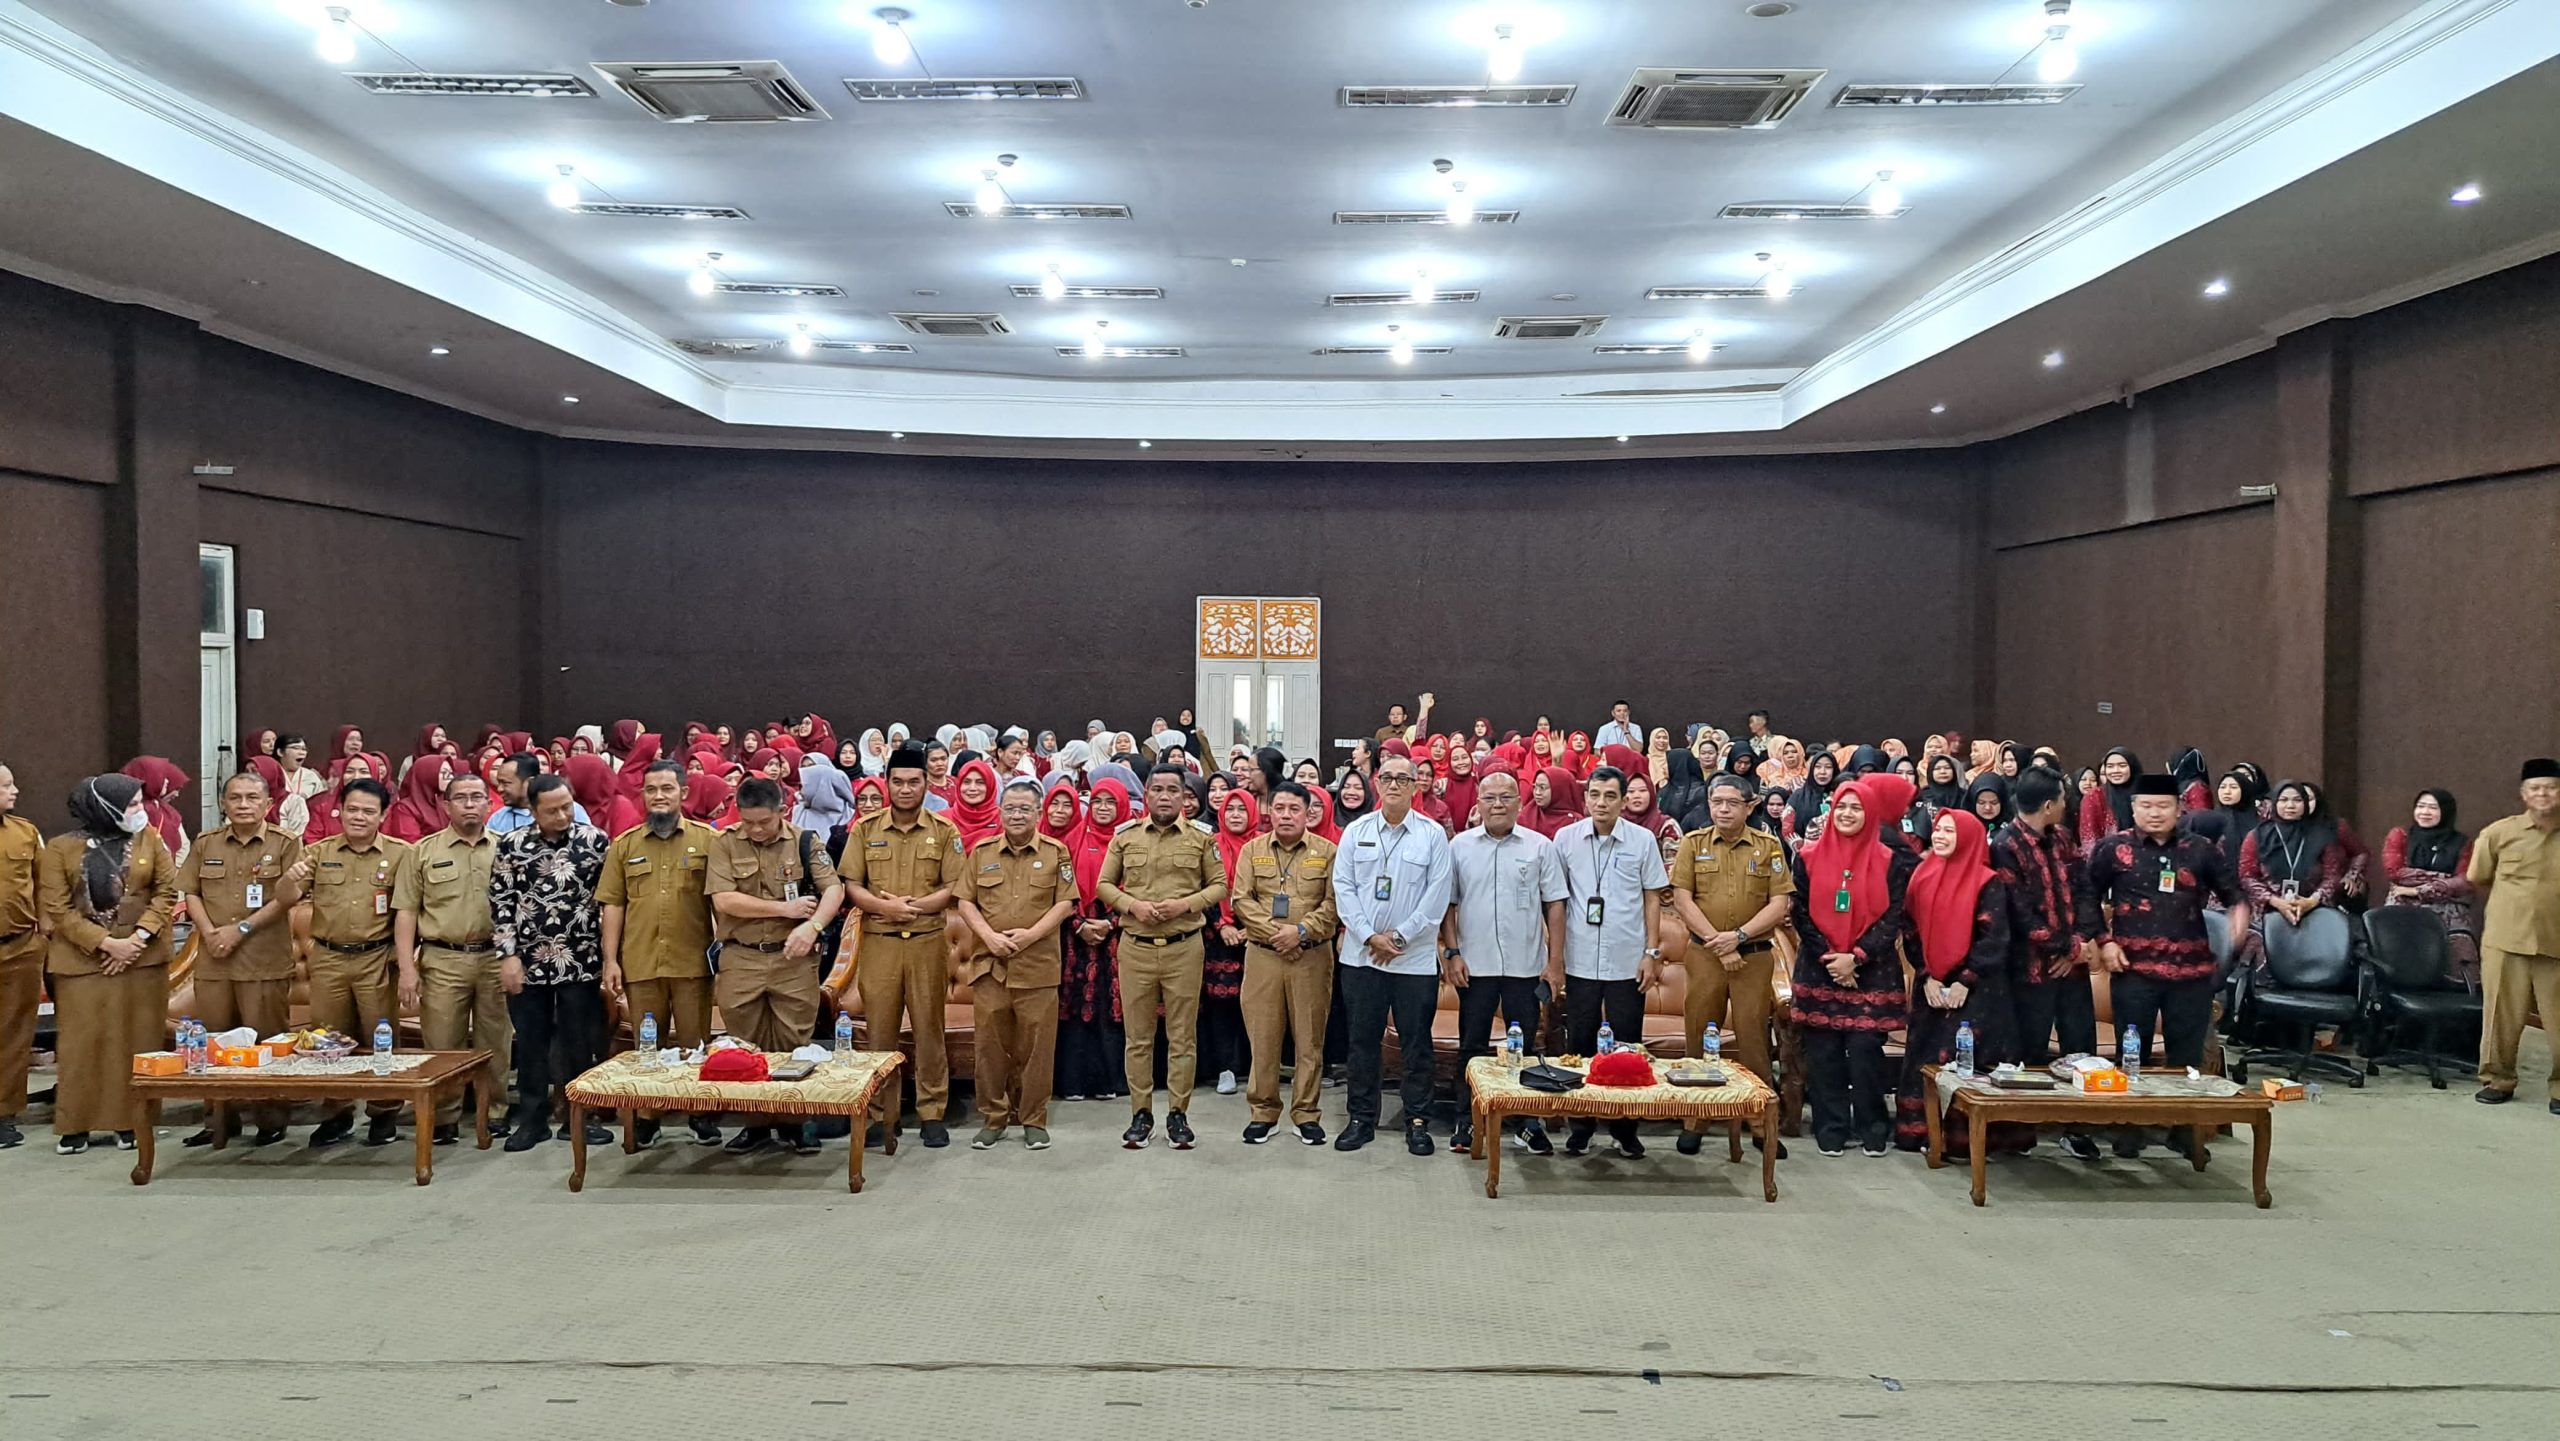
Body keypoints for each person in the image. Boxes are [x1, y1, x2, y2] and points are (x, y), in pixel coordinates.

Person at [2077, 774, 2249, 1157]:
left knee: (2186, 1057)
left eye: (2163, 806)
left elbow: (2233, 893)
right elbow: (2086, 894)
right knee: (2131, 1053)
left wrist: (2239, 915)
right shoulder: (2112, 848)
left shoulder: (2201, 849)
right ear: (2134, 808)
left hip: (2190, 970)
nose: (2155, 814)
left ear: (2179, 809)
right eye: (2147, 806)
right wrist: (2102, 942)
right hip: (2133, 969)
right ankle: (2130, 1127)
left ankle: (2184, 1130)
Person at [39, 775, 178, 1154]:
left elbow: (167, 891)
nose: (140, 811)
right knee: (82, 1044)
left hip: (142, 959)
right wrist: (105, 944)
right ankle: (76, 1125)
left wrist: (135, 941)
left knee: (135, 1042)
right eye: (132, 805)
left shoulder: (150, 839)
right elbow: (58, 908)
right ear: (105, 807)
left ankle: (131, 1122)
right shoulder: (59, 848)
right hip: (83, 962)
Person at [714, 775, 849, 1154]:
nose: (756, 829)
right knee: (745, 1046)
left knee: (795, 1044)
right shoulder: (724, 843)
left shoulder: (805, 841)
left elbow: (834, 889)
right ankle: (756, 1124)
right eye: (748, 821)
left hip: (793, 959)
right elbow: (725, 900)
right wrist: (784, 909)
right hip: (741, 956)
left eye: (764, 822)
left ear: (782, 811)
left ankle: (796, 1122)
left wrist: (813, 925)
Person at [838, 748, 965, 1150]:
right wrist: (884, 907)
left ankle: (932, 1114)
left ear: (927, 785)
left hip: (928, 942)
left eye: (914, 782)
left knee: (929, 1031)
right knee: (880, 1034)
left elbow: (955, 889)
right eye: (898, 782)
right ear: (887, 783)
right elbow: (851, 886)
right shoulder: (865, 829)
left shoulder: (945, 831)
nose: (906, 789)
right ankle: (880, 1116)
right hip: (880, 943)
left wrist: (912, 908)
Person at [1329, 750, 1454, 1156]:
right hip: (1362, 959)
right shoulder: (1356, 831)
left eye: (1404, 778)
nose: (1396, 785)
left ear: (1417, 786)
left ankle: (1417, 1121)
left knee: (1416, 1043)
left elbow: (1437, 897)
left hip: (1413, 960)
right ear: (1377, 785)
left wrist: (1398, 938)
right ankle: (1361, 1118)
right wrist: (1368, 937)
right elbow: (1343, 889)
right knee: (1362, 1042)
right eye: (1389, 778)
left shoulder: (1432, 835)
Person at [1096, 764, 1227, 1150]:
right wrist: (1132, 906)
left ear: (1185, 797)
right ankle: (1141, 1113)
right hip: (1135, 947)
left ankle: (1177, 1114)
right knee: (1137, 1038)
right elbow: (1104, 884)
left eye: (1174, 790)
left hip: (1184, 946)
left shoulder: (1202, 838)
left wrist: (1184, 905)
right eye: (1158, 790)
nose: (1165, 796)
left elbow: (1219, 885)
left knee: (1182, 1037)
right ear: (1147, 794)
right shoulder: (1126, 836)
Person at [176, 768, 309, 1146]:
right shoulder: (206, 843)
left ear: (268, 804)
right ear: (223, 803)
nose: (244, 805)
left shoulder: (286, 843)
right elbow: (191, 892)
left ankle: (270, 1120)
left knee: (266, 1042)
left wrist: (241, 930)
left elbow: (288, 897)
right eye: (235, 798)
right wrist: (208, 933)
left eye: (252, 798)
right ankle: (219, 1119)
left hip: (262, 960)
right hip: (214, 961)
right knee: (212, 1043)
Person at [1666, 773, 1795, 1157]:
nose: (1722, 809)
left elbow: (1779, 904)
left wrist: (1736, 937)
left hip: (1752, 956)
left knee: (1753, 1037)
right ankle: (1696, 1121)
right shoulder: (1693, 844)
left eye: (1731, 803)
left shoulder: (1768, 846)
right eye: (1716, 802)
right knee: (1699, 1035)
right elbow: (1683, 900)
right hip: (1704, 955)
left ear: (1750, 806)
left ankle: (1759, 1123)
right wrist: (1717, 943)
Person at [1790, 774, 1919, 1158]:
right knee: (1824, 1053)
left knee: (1865, 1052)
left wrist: (1857, 956)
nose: (1847, 813)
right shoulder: (1808, 856)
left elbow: (1894, 915)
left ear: (1871, 813)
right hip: (1820, 966)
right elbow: (1799, 910)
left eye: (1857, 807)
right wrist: (1831, 957)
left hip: (1871, 970)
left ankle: (1872, 1125)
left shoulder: (1890, 860)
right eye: (1841, 806)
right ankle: (1831, 1127)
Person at [1439, 769, 1565, 1155]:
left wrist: (1555, 961)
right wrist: (1452, 952)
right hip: (1474, 966)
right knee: (1472, 1046)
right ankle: (1468, 1117)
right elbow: (1448, 904)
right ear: (1477, 803)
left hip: (1525, 966)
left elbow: (1555, 905)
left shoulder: (1540, 846)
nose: (1497, 804)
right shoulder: (1459, 846)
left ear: (1519, 802)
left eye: (1505, 797)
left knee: (1523, 1046)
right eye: (1489, 797)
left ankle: (1525, 1120)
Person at [597, 759, 723, 1147]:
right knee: (646, 1046)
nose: (658, 796)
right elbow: (613, 905)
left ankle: (699, 1114)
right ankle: (648, 1117)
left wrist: (726, 957)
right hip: (641, 962)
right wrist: (610, 959)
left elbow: (720, 904)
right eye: (651, 790)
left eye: (667, 789)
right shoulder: (625, 845)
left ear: (683, 793)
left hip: (691, 963)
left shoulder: (708, 841)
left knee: (694, 1044)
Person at [1552, 765, 1672, 1157]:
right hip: (1580, 958)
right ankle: (1581, 1125)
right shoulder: (1565, 839)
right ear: (1585, 798)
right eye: (1595, 795)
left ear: (1623, 801)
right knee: (1580, 1044)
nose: (1601, 803)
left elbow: (1653, 897)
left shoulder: (1641, 841)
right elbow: (1555, 901)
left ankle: (1625, 1128)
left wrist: (1652, 952)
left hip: (1626, 958)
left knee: (1626, 1047)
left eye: (1610, 796)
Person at [487, 774, 610, 1152]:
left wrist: (609, 957)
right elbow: (500, 904)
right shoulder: (512, 845)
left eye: (567, 807)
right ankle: (533, 1120)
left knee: (578, 1042)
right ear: (534, 811)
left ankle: (578, 1118)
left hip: (581, 960)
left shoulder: (596, 841)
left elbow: (610, 901)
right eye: (551, 810)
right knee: (531, 1043)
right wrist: (508, 957)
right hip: (527, 960)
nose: (561, 815)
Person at [954, 778, 1077, 1150]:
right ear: (1000, 812)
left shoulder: (1057, 853)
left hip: (1037, 964)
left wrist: (1031, 935)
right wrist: (988, 936)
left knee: (1036, 1049)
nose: (1017, 815)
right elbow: (965, 901)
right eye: (1010, 808)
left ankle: (1034, 1120)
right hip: (990, 965)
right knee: (990, 1048)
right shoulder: (982, 852)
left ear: (1038, 813)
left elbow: (1065, 904)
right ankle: (993, 1119)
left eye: (1025, 809)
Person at [1893, 810, 2021, 1153]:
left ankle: (1967, 1141)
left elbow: (1994, 936)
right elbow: (1910, 929)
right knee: (1927, 1057)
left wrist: (1965, 980)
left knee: (1967, 1060)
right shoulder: (1922, 874)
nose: (1941, 837)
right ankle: (1923, 1133)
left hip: (1978, 989)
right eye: (1938, 830)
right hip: (1931, 988)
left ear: (1968, 837)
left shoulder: (1987, 880)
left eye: (1950, 831)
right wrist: (1927, 976)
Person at [1990, 767, 2100, 1160]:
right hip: (2030, 970)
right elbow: (2018, 914)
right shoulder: (2005, 844)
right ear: (2049, 804)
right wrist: (2065, 948)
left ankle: (2078, 1129)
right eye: (2064, 799)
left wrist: (2081, 942)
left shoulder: (2063, 838)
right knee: (2028, 1051)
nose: (2067, 806)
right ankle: (2021, 1131)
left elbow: (2085, 888)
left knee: (2081, 1050)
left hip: (2071, 966)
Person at [393, 770, 507, 1146]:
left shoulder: (505, 848)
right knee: (442, 1042)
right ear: (446, 805)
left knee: (496, 1040)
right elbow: (406, 912)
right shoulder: (422, 852)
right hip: (442, 959)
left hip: (494, 958)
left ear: (490, 804)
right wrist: (407, 969)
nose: (470, 805)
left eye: (477, 797)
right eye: (462, 798)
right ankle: (443, 1117)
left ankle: (493, 1113)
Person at [1230, 781, 1342, 1146]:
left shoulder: (1327, 852)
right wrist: (1280, 935)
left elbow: (1334, 903)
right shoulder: (1252, 850)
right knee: (1263, 1038)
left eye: (1294, 809)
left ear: (1308, 813)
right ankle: (1263, 1111)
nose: (1286, 815)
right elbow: (1241, 900)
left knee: (1310, 1039)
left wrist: (1302, 931)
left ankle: (1306, 1113)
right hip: (1263, 956)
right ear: (1269, 811)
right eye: (1279, 808)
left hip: (1311, 957)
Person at [300, 775, 409, 1148]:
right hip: (329, 957)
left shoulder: (400, 854)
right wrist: (289, 878)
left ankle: (383, 1113)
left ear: (382, 814)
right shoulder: (318, 852)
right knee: (327, 1040)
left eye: (368, 811)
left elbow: (411, 911)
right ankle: (336, 1114)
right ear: (339, 811)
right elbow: (285, 896)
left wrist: (404, 957)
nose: (359, 817)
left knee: (381, 1037)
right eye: (352, 809)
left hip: (377, 957)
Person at [2467, 759, 2560, 1111]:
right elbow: (2479, 876)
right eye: (2535, 788)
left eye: (2550, 787)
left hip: (2557, 941)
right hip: (2507, 939)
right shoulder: (2499, 833)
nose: (2543, 794)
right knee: (2500, 1017)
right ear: (2523, 794)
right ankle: (2498, 1079)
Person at [1056, 779, 1130, 1101]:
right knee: (1075, 1009)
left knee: (1112, 1009)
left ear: (1122, 807)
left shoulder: (1131, 842)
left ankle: (1109, 1082)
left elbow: (1139, 888)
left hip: (1118, 939)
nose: (1102, 807)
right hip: (1077, 938)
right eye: (1097, 801)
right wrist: (1079, 924)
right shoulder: (1070, 842)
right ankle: (1073, 1082)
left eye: (1110, 802)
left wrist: (1111, 922)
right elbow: (1058, 890)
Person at [2238, 779, 2353, 975]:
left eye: (2297, 800)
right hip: (2266, 913)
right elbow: (2247, 876)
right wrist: (2276, 902)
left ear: (2305, 804)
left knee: (2318, 972)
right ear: (2274, 803)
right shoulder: (2257, 836)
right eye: (2283, 800)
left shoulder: (2323, 835)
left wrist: (2311, 901)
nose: (2290, 805)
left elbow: (2332, 877)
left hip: (2314, 911)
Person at [2382, 789, 2479, 990]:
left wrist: (2419, 891)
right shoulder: (2400, 836)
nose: (2425, 812)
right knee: (2402, 967)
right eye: (2421, 806)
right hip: (2404, 910)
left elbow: (2466, 881)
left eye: (2433, 807)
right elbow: (2395, 872)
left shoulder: (2461, 842)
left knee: (2454, 966)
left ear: (2446, 811)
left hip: (2449, 917)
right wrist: (2444, 881)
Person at [0, 764, 38, 1149]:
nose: (15, 791)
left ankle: (4, 1114)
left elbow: (44, 887)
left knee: (13, 1035)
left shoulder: (26, 833)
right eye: (5, 785)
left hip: (18, 947)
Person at [491, 753, 595, 836]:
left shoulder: (570, 810)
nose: (499, 789)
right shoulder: (498, 819)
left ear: (529, 783)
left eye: (506, 783)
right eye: (499, 782)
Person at [2079, 747, 2142, 852]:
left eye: (2122, 766)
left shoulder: (2144, 794)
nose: (2115, 771)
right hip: (2107, 861)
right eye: (2110, 766)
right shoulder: (2095, 797)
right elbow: (2089, 840)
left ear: (2132, 767)